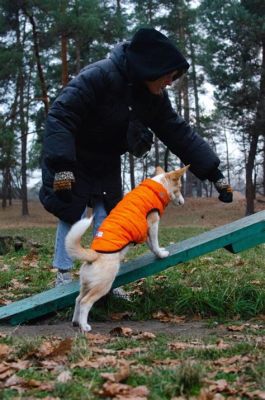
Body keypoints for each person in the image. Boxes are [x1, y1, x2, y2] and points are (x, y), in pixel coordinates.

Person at [39, 27, 233, 288]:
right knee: (70, 211)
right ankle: (62, 277)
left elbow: (179, 133)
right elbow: (61, 116)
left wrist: (215, 174)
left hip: (107, 160)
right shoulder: (99, 76)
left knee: (108, 217)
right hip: (75, 157)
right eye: (169, 75)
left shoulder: (153, 98)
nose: (170, 82)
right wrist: (62, 166)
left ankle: (104, 280)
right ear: (150, 68)